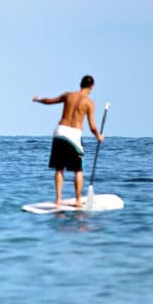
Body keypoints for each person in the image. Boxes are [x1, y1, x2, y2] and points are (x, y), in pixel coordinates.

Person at [33, 75, 104, 207]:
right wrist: (98, 136)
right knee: (78, 170)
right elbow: (92, 126)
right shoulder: (89, 103)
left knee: (59, 168)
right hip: (74, 134)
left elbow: (50, 101)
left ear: (80, 84)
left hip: (60, 131)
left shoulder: (68, 95)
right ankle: (78, 200)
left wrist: (38, 100)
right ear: (91, 87)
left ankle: (58, 199)